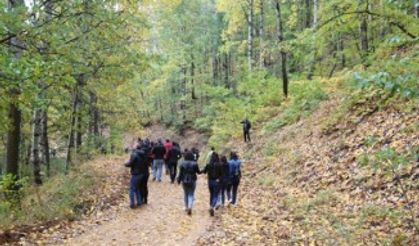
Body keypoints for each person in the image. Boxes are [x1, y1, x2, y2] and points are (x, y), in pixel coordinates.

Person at [124, 144, 149, 209]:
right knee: (137, 188)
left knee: (131, 189)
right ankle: (139, 201)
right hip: (142, 173)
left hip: (136, 173)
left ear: (135, 147)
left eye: (134, 145)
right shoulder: (144, 154)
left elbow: (130, 163)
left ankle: (132, 204)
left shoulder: (134, 154)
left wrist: (125, 163)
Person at [177, 151, 200, 215]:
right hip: (192, 180)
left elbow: (180, 173)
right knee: (191, 194)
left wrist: (179, 180)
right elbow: (198, 172)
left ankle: (186, 207)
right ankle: (190, 206)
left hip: (184, 180)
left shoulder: (182, 163)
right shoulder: (195, 163)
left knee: (185, 193)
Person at [201, 152, 223, 216]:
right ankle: (212, 206)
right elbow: (222, 174)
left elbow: (204, 171)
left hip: (210, 181)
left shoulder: (208, 164)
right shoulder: (219, 165)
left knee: (211, 194)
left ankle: (211, 205)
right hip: (216, 181)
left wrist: (202, 170)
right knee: (216, 195)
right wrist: (219, 179)